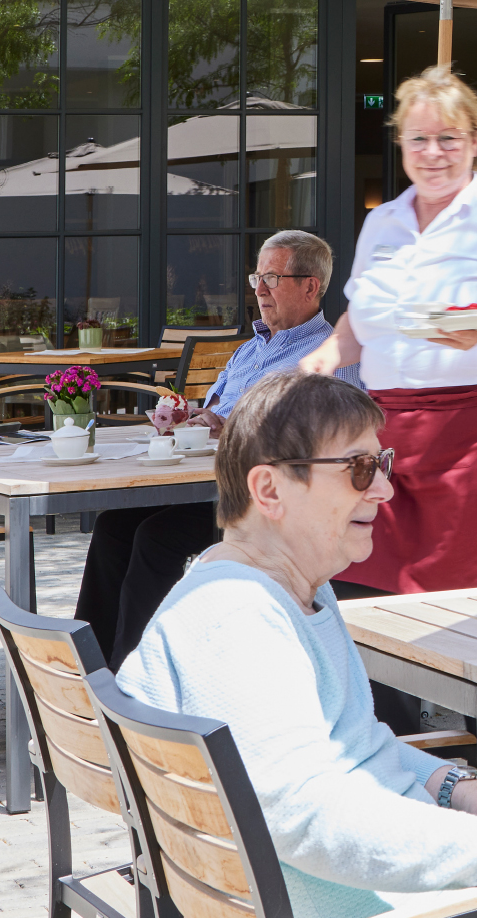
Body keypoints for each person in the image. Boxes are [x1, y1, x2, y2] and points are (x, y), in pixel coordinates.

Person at [116, 371, 477, 918]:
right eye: (360, 469)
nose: (385, 488)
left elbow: (352, 748)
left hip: (387, 887)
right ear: (269, 490)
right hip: (385, 910)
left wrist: (461, 789)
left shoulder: (283, 590)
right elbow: (305, 819)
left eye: (381, 464)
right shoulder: (238, 621)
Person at [302, 66, 477, 596]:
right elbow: (361, 320)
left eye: (448, 139)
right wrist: (327, 355)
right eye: (420, 139)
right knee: (366, 592)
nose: (433, 153)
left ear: (476, 142)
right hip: (385, 443)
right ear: (401, 143)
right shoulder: (381, 223)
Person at [72, 230, 361, 668]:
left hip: (265, 500)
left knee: (157, 537)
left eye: (272, 277)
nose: (259, 289)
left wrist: (235, 427)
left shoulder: (334, 355)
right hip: (203, 482)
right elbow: (211, 414)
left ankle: (134, 683)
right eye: (256, 278)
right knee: (114, 524)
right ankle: (88, 670)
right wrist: (187, 417)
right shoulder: (248, 350)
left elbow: (324, 440)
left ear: (310, 286)